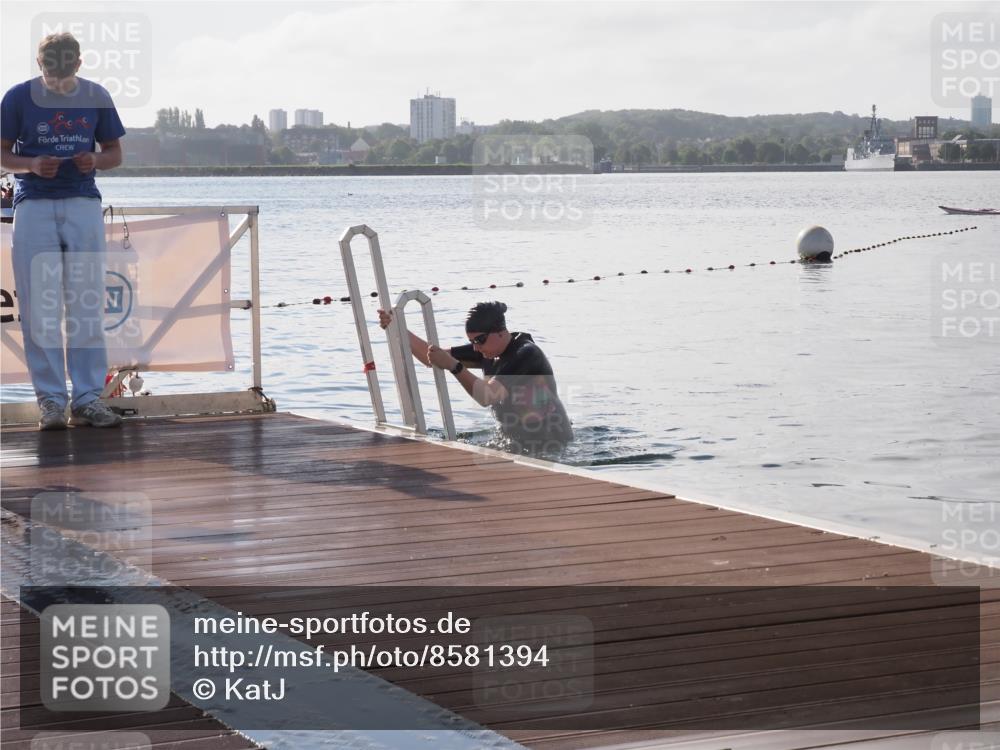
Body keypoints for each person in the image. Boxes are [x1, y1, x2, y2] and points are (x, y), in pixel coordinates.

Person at [1, 32, 126, 430]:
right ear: (40, 64)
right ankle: (51, 402)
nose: (58, 75)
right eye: (51, 67)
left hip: (82, 202)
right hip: (33, 204)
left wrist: (94, 159)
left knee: (87, 304)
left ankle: (88, 398)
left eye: (67, 66)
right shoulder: (17, 97)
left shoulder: (97, 96)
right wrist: (31, 165)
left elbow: (115, 154)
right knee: (39, 308)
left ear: (79, 62)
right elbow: (1, 152)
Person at [379, 301, 573, 456]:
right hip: (518, 441)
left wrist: (455, 366)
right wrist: (398, 329)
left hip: (549, 443)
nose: (475, 348)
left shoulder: (525, 354)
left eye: (479, 340)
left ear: (500, 331)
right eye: (472, 342)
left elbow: (487, 396)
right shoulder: (488, 351)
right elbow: (432, 357)